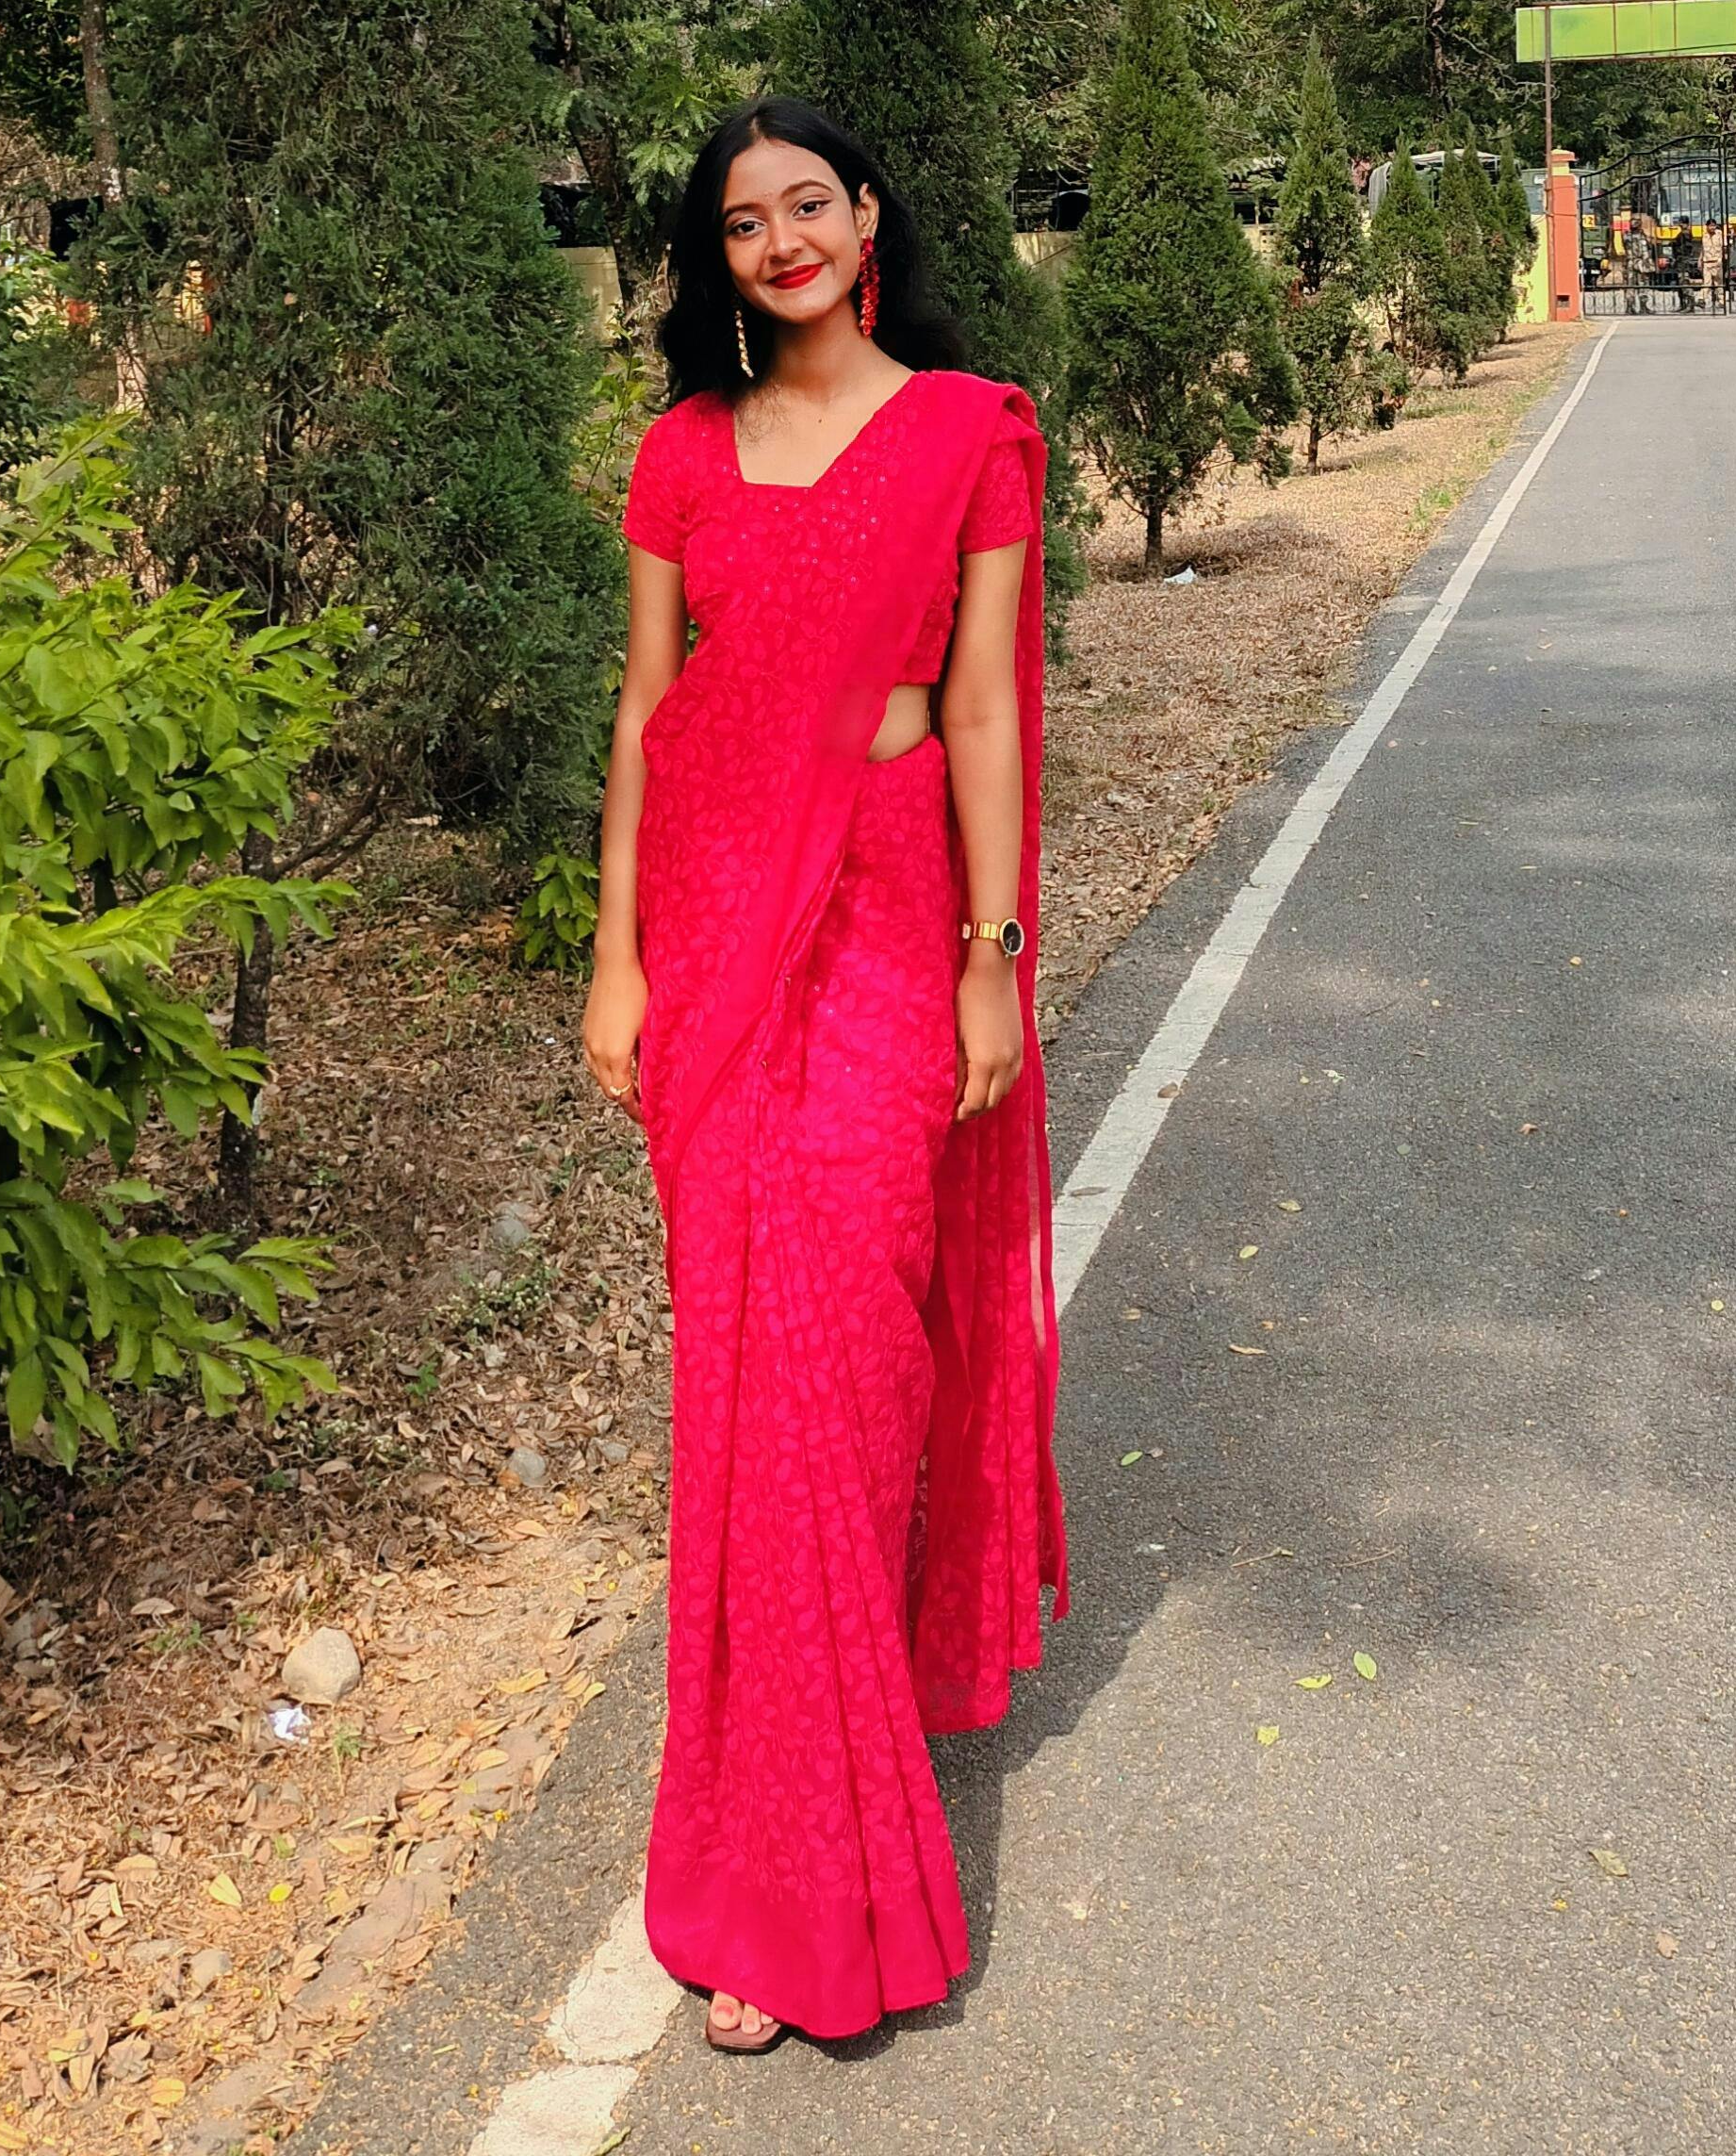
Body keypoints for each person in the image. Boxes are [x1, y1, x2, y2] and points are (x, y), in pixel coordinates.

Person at [582, 100, 1067, 2056]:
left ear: (868, 218)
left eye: (808, 204)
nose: (779, 240)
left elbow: (982, 709)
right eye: (741, 221)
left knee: (852, 1349)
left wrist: (992, 958)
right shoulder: (680, 452)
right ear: (715, 259)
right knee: (743, 1375)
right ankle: (769, 1858)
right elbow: (648, 703)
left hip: (884, 912)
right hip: (709, 920)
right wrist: (616, 954)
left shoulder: (970, 432)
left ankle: (835, 1791)